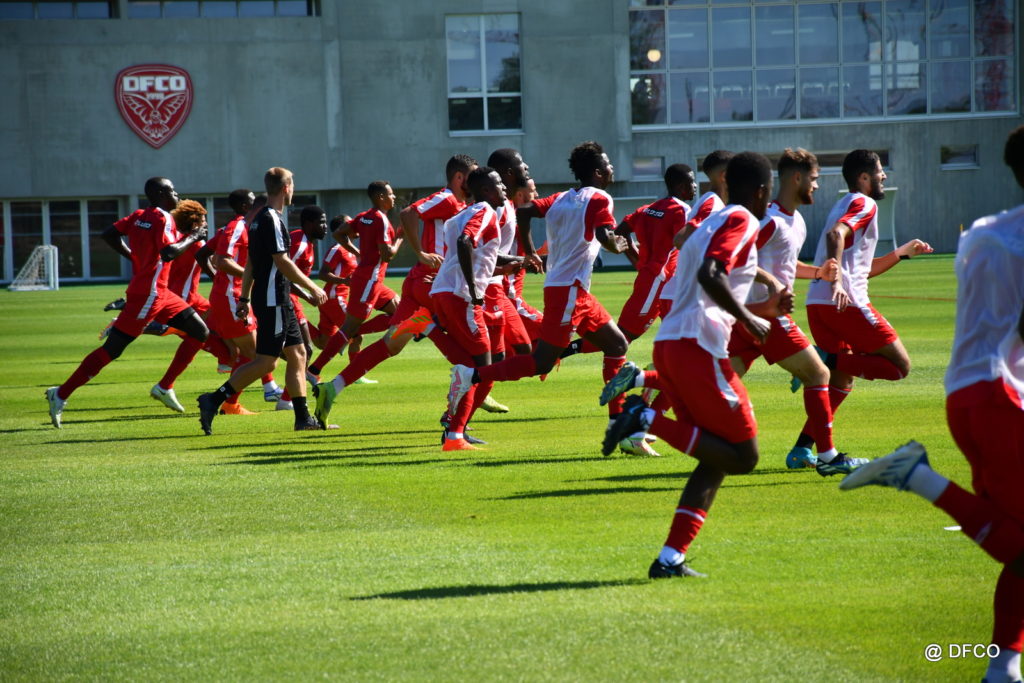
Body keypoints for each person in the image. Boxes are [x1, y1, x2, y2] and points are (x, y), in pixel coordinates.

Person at [839, 126, 1024, 683]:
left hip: (969, 395)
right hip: (1000, 397)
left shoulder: (984, 233)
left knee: (1015, 536)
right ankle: (915, 475)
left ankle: (1004, 665)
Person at [602, 152, 791, 579]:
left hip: (675, 340)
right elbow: (710, 274)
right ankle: (644, 417)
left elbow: (704, 282)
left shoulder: (709, 220)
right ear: (762, 191)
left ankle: (669, 559)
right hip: (697, 346)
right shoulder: (742, 219)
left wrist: (761, 309)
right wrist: (750, 320)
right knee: (744, 456)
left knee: (715, 455)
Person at [446, 141, 631, 438]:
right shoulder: (600, 198)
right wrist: (618, 245)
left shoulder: (561, 198)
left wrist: (531, 250)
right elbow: (604, 235)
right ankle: (471, 375)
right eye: (608, 165)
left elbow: (526, 211)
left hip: (572, 290)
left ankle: (619, 426)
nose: (612, 169)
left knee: (617, 345)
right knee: (540, 362)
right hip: (568, 291)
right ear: (598, 172)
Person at [794, 149, 934, 475]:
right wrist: (836, 281)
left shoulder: (843, 204)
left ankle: (803, 448)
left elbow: (861, 269)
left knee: (841, 380)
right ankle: (820, 358)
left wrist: (901, 253)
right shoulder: (864, 203)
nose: (884, 176)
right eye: (880, 171)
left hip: (819, 303)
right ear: (864, 177)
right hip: (844, 303)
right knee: (899, 366)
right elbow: (836, 236)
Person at [314, 156, 479, 427]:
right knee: (471, 347)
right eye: (472, 176)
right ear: (459, 177)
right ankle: (459, 413)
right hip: (430, 284)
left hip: (421, 283)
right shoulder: (448, 198)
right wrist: (421, 253)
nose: (477, 181)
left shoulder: (461, 204)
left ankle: (332, 388)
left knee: (390, 345)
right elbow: (409, 213)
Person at [46, 177, 208, 428]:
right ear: (160, 193)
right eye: (172, 190)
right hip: (150, 295)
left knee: (200, 331)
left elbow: (109, 234)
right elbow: (169, 253)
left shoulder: (139, 215)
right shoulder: (164, 218)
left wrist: (134, 258)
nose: (177, 194)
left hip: (160, 292)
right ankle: (60, 393)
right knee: (113, 349)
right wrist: (194, 236)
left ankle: (165, 386)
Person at [723, 148, 845, 470]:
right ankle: (827, 456)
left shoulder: (797, 221)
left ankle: (641, 385)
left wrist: (818, 272)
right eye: (814, 179)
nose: (817, 185)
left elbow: (786, 264)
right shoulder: (771, 221)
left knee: (718, 381)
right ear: (797, 178)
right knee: (819, 374)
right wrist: (772, 283)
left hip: (748, 318)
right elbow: (735, 257)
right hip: (765, 315)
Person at [564, 162, 697, 456]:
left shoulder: (648, 209)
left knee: (675, 350)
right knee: (622, 340)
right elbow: (687, 244)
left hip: (655, 282)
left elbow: (619, 232)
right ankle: (636, 400)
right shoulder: (682, 210)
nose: (695, 187)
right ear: (679, 186)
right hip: (661, 284)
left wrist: (636, 257)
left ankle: (645, 408)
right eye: (691, 182)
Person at [197, 167, 328, 434]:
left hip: (276, 299)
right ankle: (214, 399)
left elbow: (252, 263)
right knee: (267, 361)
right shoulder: (271, 220)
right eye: (293, 185)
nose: (293, 190)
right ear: (286, 188)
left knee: (299, 353)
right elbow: (282, 261)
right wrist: (313, 287)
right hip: (273, 299)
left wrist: (245, 297)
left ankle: (303, 419)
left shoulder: (258, 219)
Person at [431, 167, 518, 451]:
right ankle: (455, 436)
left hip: (445, 292)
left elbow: (482, 251)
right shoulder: (486, 211)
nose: (504, 189)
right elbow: (465, 242)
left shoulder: (463, 214)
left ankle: (456, 431)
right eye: (499, 184)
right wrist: (473, 288)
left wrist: (521, 260)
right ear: (485, 190)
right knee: (481, 369)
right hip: (462, 296)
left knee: (479, 365)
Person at [307, 182, 401, 379]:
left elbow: (338, 233)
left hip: (371, 279)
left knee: (400, 312)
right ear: (380, 197)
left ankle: (350, 334)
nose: (394, 197)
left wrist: (358, 253)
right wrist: (401, 238)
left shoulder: (364, 216)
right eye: (391, 194)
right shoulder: (381, 220)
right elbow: (387, 255)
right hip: (369, 280)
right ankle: (314, 370)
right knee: (350, 327)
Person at [149, 199, 233, 412]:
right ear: (195, 222)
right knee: (211, 335)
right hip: (184, 300)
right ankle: (159, 329)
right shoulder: (195, 244)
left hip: (187, 297)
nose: (206, 224)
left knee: (221, 322)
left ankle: (166, 383)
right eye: (203, 219)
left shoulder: (177, 240)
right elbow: (211, 263)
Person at [204, 190, 275, 415]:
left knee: (250, 354)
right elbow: (221, 260)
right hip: (231, 297)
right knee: (259, 355)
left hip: (235, 296)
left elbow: (206, 255)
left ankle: (231, 403)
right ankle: (265, 390)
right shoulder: (237, 227)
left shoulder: (247, 228)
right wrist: (250, 276)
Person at [274, 205, 331, 410]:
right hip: (284, 299)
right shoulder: (298, 243)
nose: (325, 227)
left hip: (290, 299)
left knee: (299, 351)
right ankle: (285, 399)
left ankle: (285, 398)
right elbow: (283, 273)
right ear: (308, 223)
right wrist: (308, 295)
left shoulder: (305, 242)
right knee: (303, 350)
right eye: (321, 222)